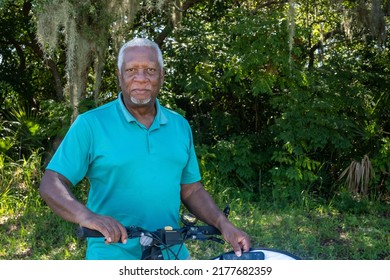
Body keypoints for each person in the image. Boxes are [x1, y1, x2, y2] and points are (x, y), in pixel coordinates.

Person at [39, 37, 251, 260]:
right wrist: (87, 216)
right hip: (111, 258)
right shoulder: (91, 124)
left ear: (162, 75)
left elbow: (191, 190)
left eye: (150, 70)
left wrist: (223, 224)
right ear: (120, 76)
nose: (141, 78)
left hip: (173, 255)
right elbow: (52, 183)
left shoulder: (179, 125)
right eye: (131, 70)